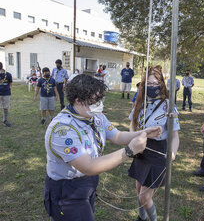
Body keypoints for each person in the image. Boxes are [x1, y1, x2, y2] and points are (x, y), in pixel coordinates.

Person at [43, 74, 162, 221]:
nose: (99, 104)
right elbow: (88, 166)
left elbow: (117, 136)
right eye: (94, 100)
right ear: (78, 100)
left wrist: (144, 132)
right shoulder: (63, 129)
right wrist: (129, 151)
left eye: (100, 99)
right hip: (67, 189)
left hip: (88, 182)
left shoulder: (95, 116)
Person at [128, 66, 180, 221]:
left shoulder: (168, 106)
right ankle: (141, 217)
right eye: (149, 84)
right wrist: (134, 138)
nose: (152, 87)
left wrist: (173, 153)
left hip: (158, 152)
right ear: (144, 85)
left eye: (155, 83)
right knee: (138, 190)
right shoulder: (140, 102)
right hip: (141, 149)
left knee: (145, 196)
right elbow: (133, 123)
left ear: (161, 84)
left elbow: (175, 136)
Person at [0, 62, 12, 127]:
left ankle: (5, 120)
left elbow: (10, 83)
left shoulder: (8, 74)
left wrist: (9, 89)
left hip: (6, 93)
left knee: (6, 107)